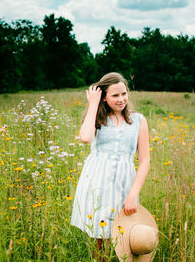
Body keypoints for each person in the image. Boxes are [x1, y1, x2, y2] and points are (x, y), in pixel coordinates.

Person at [70, 72, 150, 261]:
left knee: (127, 236)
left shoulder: (138, 120)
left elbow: (145, 161)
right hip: (99, 183)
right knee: (102, 240)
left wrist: (133, 195)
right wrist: (93, 104)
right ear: (104, 98)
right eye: (115, 95)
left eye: (124, 94)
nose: (121, 99)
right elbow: (86, 137)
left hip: (125, 185)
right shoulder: (97, 119)